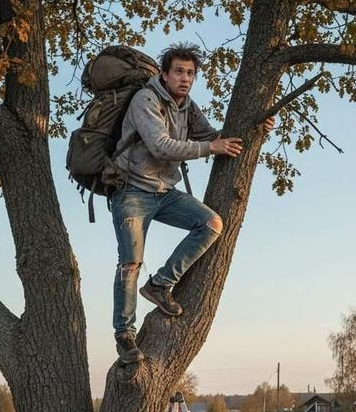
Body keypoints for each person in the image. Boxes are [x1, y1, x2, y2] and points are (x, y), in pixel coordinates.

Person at [108, 42, 274, 363]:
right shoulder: (146, 100)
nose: (185, 79)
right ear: (165, 74)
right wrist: (211, 147)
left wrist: (258, 130)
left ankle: (159, 285)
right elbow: (161, 146)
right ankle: (124, 336)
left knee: (211, 224)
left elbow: (213, 136)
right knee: (130, 263)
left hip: (163, 192)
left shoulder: (188, 107)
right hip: (130, 192)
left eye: (191, 73)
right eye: (179, 72)